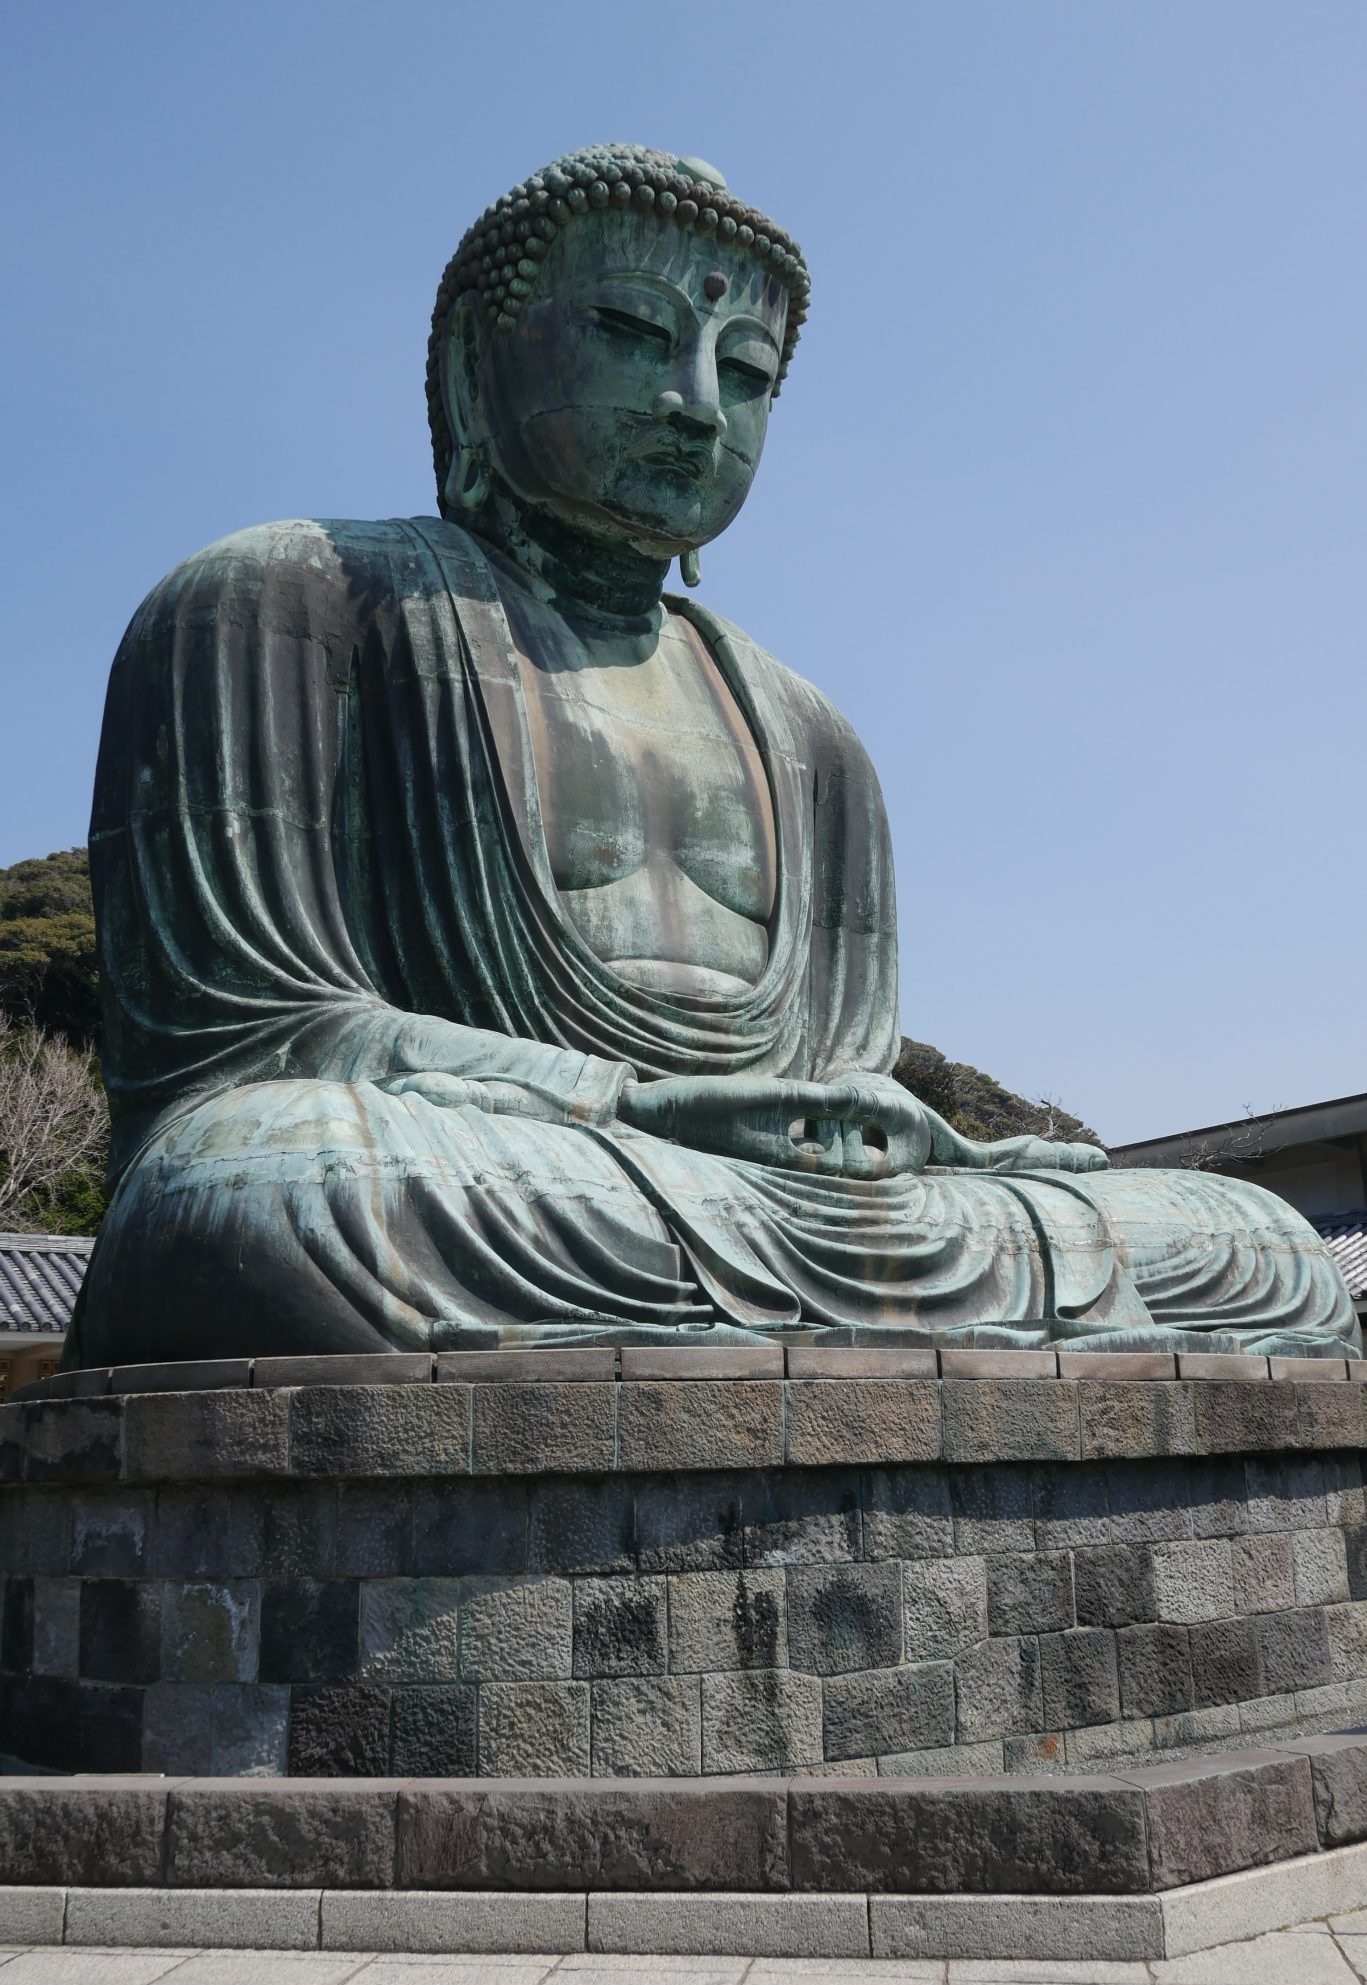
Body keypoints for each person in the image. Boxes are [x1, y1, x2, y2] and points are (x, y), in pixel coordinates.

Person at [64, 146, 1357, 1366]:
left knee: (1257, 1247)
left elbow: (837, 1084)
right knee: (261, 1189)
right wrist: (623, 1107)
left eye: (746, 373)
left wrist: (935, 1149)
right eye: (631, 335)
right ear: (475, 364)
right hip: (508, 1168)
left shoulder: (812, 734)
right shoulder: (287, 600)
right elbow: (248, 1048)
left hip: (769, 1207)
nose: (694, 405)